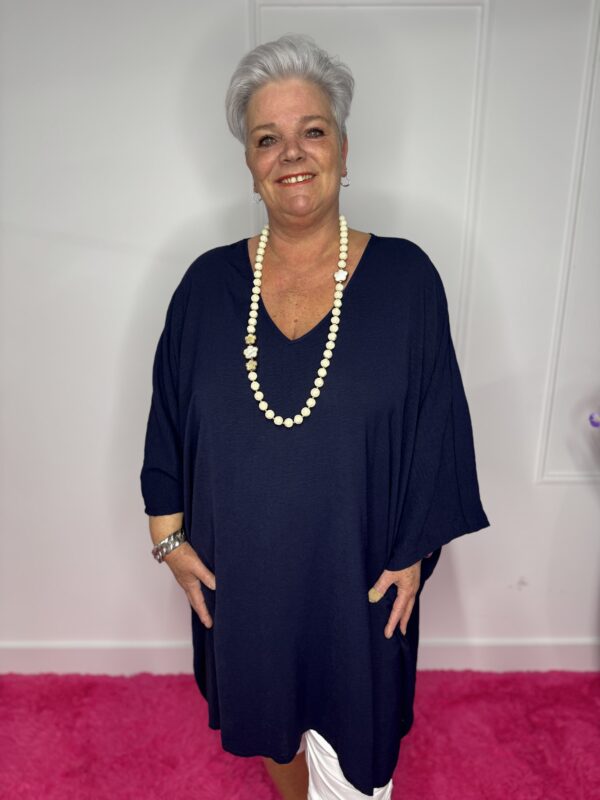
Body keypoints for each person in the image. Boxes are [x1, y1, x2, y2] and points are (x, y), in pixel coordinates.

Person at [140, 33, 491, 800]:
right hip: (245, 585)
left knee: (355, 760)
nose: (291, 154)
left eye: (313, 130)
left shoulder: (407, 280)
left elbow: (437, 427)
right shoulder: (204, 287)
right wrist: (168, 539)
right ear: (249, 161)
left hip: (356, 583)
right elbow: (167, 417)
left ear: (343, 148)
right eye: (267, 138)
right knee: (272, 729)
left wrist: (414, 551)